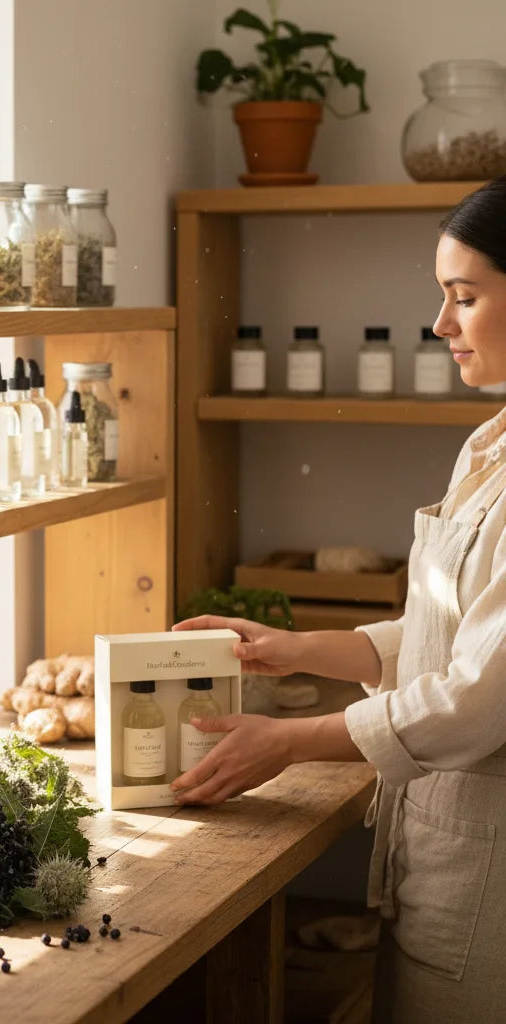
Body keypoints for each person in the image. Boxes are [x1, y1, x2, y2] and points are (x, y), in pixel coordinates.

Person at [171, 176, 506, 1023]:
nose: (440, 326)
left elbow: (479, 698)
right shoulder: (489, 441)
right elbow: (451, 634)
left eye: (464, 298)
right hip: (441, 857)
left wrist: (290, 741)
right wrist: (292, 648)